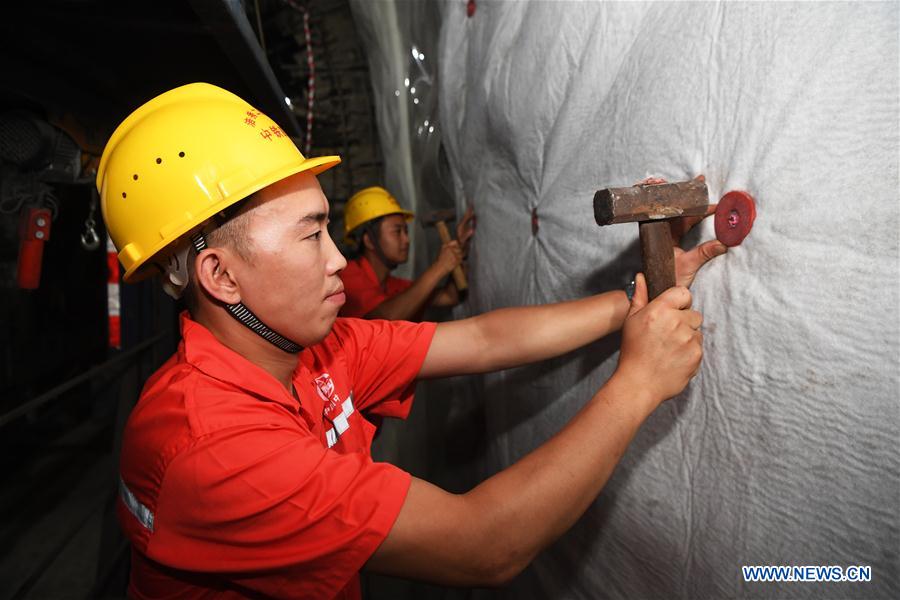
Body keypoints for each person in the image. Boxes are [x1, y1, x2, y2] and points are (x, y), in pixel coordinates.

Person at [99, 83, 727, 599]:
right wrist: (639, 384)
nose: (339, 261)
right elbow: (484, 544)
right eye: (311, 235)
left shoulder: (314, 349)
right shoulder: (209, 449)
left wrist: (638, 301)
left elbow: (480, 340)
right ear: (220, 275)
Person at [339, 186, 475, 319]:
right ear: (369, 240)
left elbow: (450, 297)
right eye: (397, 232)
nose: (407, 240)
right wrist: (440, 267)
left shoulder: (394, 286)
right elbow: (383, 319)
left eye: (406, 231)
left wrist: (459, 246)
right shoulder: (345, 278)